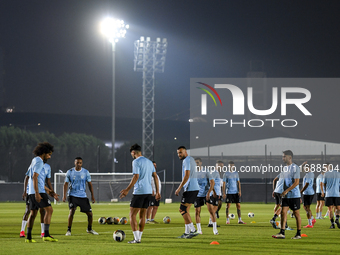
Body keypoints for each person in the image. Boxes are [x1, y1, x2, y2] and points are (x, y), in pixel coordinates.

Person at [119, 144, 160, 244]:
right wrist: (158, 191)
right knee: (142, 215)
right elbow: (155, 176)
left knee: (132, 214)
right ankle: (139, 237)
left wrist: (127, 189)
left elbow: (136, 176)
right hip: (149, 192)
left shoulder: (136, 161)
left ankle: (136, 238)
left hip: (139, 191)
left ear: (133, 152)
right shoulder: (150, 162)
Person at [25, 142, 59, 243]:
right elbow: (35, 176)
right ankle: (46, 235)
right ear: (44, 153)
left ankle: (29, 237)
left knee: (33, 213)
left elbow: (32, 177)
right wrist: (37, 193)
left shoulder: (34, 160)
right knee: (49, 210)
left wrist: (48, 190)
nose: (49, 157)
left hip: (31, 191)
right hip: (37, 191)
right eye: (49, 154)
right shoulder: (39, 161)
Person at [62, 157, 98, 236]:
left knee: (90, 214)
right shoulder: (70, 172)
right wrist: (64, 195)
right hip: (72, 195)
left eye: (80, 163)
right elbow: (65, 184)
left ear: (82, 163)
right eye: (77, 162)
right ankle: (68, 230)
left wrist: (92, 196)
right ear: (74, 162)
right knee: (72, 211)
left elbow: (89, 184)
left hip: (82, 196)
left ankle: (89, 229)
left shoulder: (85, 172)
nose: (79, 164)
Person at [272, 150, 302, 240]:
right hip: (285, 195)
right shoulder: (285, 168)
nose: (283, 158)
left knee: (296, 213)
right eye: (283, 156)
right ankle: (282, 232)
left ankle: (298, 234)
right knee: (283, 212)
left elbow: (296, 182)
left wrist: (286, 191)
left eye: (284, 156)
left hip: (294, 195)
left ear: (290, 157)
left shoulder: (295, 167)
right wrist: (280, 191)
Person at [175, 146, 199, 239]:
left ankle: (193, 230)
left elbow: (187, 175)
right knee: (186, 210)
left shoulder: (186, 160)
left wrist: (179, 188)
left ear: (185, 152)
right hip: (194, 188)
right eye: (178, 153)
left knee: (182, 210)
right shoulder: (191, 159)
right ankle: (186, 233)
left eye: (180, 152)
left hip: (190, 188)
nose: (179, 155)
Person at [194, 157, 212, 234]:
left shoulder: (206, 171)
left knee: (211, 211)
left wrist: (209, 193)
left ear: (201, 163)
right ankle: (199, 230)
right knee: (197, 211)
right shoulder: (193, 172)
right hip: (197, 194)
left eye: (197, 162)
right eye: (195, 163)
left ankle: (214, 229)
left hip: (206, 194)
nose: (196, 164)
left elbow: (211, 182)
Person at [322, 163, 340, 229]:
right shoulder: (338, 174)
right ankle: (337, 218)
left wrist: (324, 191)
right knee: (338, 208)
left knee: (330, 210)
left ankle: (332, 224)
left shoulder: (326, 174)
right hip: (336, 193)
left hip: (329, 194)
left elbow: (324, 183)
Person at [206, 161, 222, 235]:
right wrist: (214, 192)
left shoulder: (217, 173)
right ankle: (213, 227)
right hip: (213, 194)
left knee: (214, 210)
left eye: (222, 166)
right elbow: (211, 183)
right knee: (213, 211)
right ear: (216, 166)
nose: (221, 168)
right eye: (219, 166)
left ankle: (211, 223)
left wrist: (218, 193)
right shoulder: (214, 172)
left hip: (216, 194)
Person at [300, 163, 316, 228]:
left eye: (305, 168)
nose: (304, 169)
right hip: (307, 193)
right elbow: (300, 169)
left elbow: (307, 184)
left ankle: (310, 223)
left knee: (307, 208)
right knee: (305, 207)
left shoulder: (309, 174)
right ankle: (312, 219)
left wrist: (301, 191)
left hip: (308, 193)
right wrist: (303, 164)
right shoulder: (308, 174)